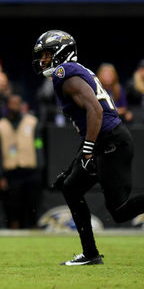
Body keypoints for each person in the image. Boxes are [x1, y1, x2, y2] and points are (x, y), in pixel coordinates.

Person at [32, 30, 144, 265]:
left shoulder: (64, 73)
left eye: (46, 55)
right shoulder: (74, 72)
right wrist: (78, 160)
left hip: (112, 142)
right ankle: (90, 254)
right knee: (72, 187)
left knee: (120, 211)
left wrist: (88, 150)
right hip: (107, 141)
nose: (43, 61)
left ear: (60, 53)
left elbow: (96, 110)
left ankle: (91, 254)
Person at [0, 94, 43, 229]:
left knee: (33, 201)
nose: (15, 107)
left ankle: (33, 226)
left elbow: (38, 144)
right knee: (13, 203)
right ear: (7, 106)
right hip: (11, 171)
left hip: (30, 169)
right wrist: (0, 175)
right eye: (12, 104)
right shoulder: (0, 126)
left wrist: (40, 165)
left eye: (18, 104)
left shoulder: (32, 122)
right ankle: (14, 227)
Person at [125, 59, 144, 124]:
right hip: (135, 113)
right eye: (142, 69)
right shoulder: (131, 84)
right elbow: (126, 100)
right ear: (139, 70)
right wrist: (128, 111)